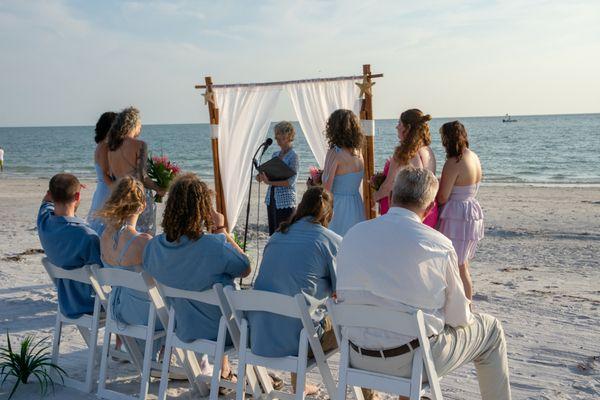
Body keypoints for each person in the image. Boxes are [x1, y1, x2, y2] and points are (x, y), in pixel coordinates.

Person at [336, 167, 510, 400]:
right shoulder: (437, 244)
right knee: (490, 330)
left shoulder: (353, 235)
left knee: (412, 324)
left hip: (356, 355)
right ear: (429, 210)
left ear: (391, 197)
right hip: (411, 362)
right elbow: (458, 318)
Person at [143, 173, 250, 384]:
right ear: (202, 210)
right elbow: (245, 267)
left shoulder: (154, 247)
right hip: (225, 332)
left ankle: (225, 370)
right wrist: (221, 230)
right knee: (226, 299)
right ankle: (229, 372)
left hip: (182, 327)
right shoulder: (214, 246)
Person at [249, 186, 340, 395]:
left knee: (299, 306)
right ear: (331, 214)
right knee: (348, 322)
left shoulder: (276, 237)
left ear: (300, 208)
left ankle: (300, 384)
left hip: (261, 335)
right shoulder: (329, 240)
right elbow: (341, 292)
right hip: (298, 342)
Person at [96, 176, 156, 330]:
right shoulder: (143, 241)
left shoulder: (104, 237)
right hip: (143, 317)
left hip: (117, 310)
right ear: (142, 205)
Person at [37, 173, 100, 319]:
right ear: (77, 197)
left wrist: (54, 191)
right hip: (89, 304)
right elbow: (103, 274)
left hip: (66, 302)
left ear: (51, 195)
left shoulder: (44, 221)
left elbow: (45, 203)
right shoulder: (87, 236)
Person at [437, 121, 484, 300]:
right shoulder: (473, 156)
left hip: (456, 214)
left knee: (456, 264)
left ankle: (464, 306)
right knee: (463, 264)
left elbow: (442, 197)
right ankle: (467, 304)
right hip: (471, 211)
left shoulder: (453, 162)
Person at [373, 109, 438, 227]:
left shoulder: (403, 153)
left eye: (399, 124)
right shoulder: (428, 151)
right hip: (427, 210)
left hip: (402, 211)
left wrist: (372, 198)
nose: (396, 127)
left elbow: (388, 186)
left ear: (407, 128)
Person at [107, 107, 164, 235]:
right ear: (134, 124)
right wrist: (158, 188)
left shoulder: (111, 147)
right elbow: (142, 177)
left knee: (124, 235)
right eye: (140, 124)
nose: (141, 128)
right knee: (145, 235)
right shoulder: (140, 145)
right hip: (138, 197)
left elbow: (112, 176)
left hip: (120, 198)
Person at [322, 109, 365, 236]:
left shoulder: (335, 153)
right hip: (356, 203)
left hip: (338, 205)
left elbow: (326, 188)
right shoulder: (359, 153)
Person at [257, 121, 299, 235]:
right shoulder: (275, 154)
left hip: (286, 200)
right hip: (271, 198)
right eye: (277, 138)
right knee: (273, 232)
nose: (278, 141)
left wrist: (269, 181)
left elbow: (291, 182)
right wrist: (261, 176)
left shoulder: (293, 156)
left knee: (285, 233)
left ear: (289, 137)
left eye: (282, 138)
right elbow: (271, 174)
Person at [87, 112, 117, 235]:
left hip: (103, 189)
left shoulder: (102, 145)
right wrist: (119, 191)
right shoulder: (104, 146)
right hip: (107, 190)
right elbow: (106, 174)